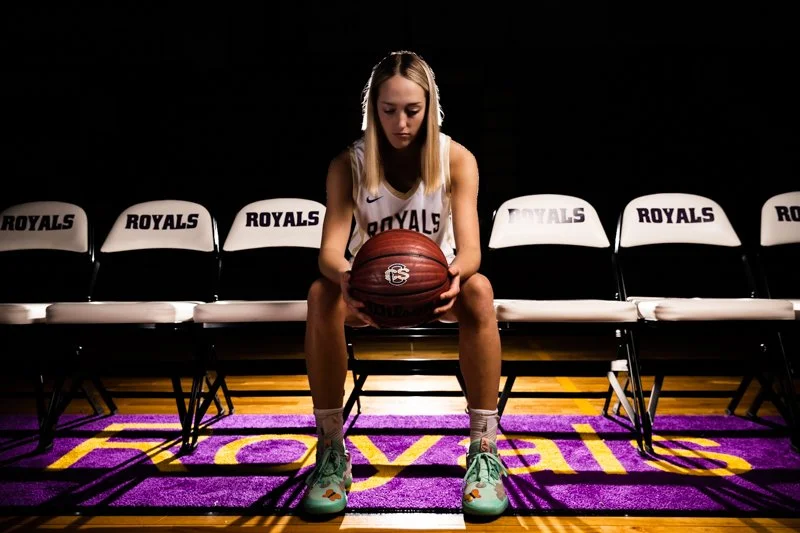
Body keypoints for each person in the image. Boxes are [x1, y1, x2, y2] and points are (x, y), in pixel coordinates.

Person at [302, 50, 507, 517]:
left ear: (430, 107)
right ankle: (331, 452)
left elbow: (471, 251)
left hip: (436, 290)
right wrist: (346, 278)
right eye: (389, 110)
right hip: (368, 294)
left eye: (412, 110)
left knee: (479, 289)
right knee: (320, 294)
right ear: (372, 110)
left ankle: (484, 451)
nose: (401, 122)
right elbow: (329, 251)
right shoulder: (348, 164)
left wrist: (455, 276)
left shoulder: (456, 159)